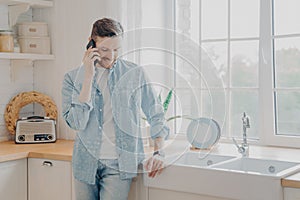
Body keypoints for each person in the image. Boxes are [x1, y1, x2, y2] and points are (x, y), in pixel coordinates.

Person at [62, 18, 169, 200]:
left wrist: (159, 152)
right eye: (104, 50)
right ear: (91, 43)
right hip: (85, 164)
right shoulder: (72, 78)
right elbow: (76, 123)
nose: (111, 57)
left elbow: (155, 113)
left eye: (116, 50)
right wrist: (88, 76)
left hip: (119, 165)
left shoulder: (134, 74)